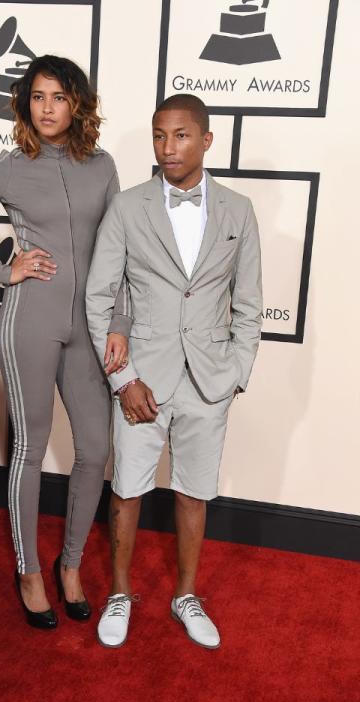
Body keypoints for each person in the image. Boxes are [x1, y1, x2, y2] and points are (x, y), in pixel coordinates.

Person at [0, 56, 130, 628]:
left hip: (90, 327)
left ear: (77, 104)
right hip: (29, 321)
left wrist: (120, 324)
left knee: (94, 450)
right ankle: (28, 570)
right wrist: (1, 270)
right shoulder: (12, 166)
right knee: (30, 448)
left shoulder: (103, 165)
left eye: (58, 97)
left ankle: (70, 565)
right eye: (37, 97)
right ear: (24, 104)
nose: (46, 108)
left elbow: (119, 254)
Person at [86, 93, 262, 649]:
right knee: (128, 490)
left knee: (193, 493)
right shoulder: (128, 206)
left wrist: (234, 374)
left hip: (209, 381)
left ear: (206, 140)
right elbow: (100, 296)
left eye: (181, 135)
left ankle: (186, 595)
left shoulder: (239, 210)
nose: (168, 147)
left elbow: (250, 304)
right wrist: (123, 379)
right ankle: (119, 592)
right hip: (141, 376)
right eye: (160, 136)